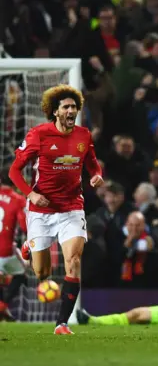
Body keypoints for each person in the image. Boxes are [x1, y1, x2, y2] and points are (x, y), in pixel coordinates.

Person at [8, 84, 104, 334]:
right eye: (66, 107)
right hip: (41, 211)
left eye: (74, 106)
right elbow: (14, 171)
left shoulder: (83, 135)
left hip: (72, 208)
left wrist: (96, 176)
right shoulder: (38, 135)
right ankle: (29, 247)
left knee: (73, 261)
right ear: (55, 111)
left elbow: (93, 164)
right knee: (42, 272)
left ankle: (61, 323)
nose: (72, 110)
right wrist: (31, 194)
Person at [0, 169, 27, 321]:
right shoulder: (18, 199)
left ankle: (3, 310)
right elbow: (24, 227)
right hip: (4, 251)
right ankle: (3, 305)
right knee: (21, 274)